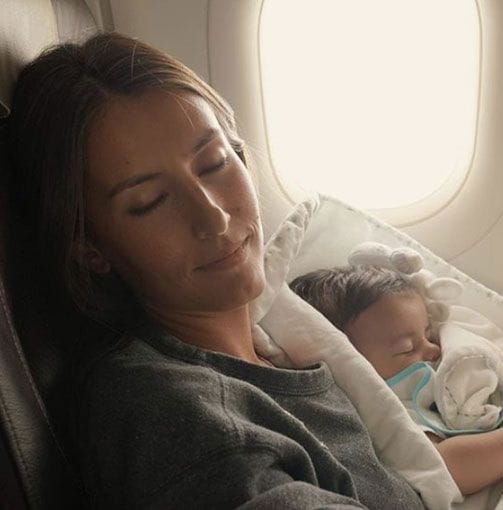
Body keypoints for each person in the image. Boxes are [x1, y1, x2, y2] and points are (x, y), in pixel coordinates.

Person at [6, 32, 425, 508]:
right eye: (150, 202)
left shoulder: (269, 348)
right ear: (91, 250)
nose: (215, 219)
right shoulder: (178, 420)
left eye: (213, 163)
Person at [291, 265, 503, 494]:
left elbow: (492, 369)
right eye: (407, 348)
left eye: (427, 333)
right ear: (354, 365)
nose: (433, 349)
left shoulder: (440, 360)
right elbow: (446, 466)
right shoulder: (390, 413)